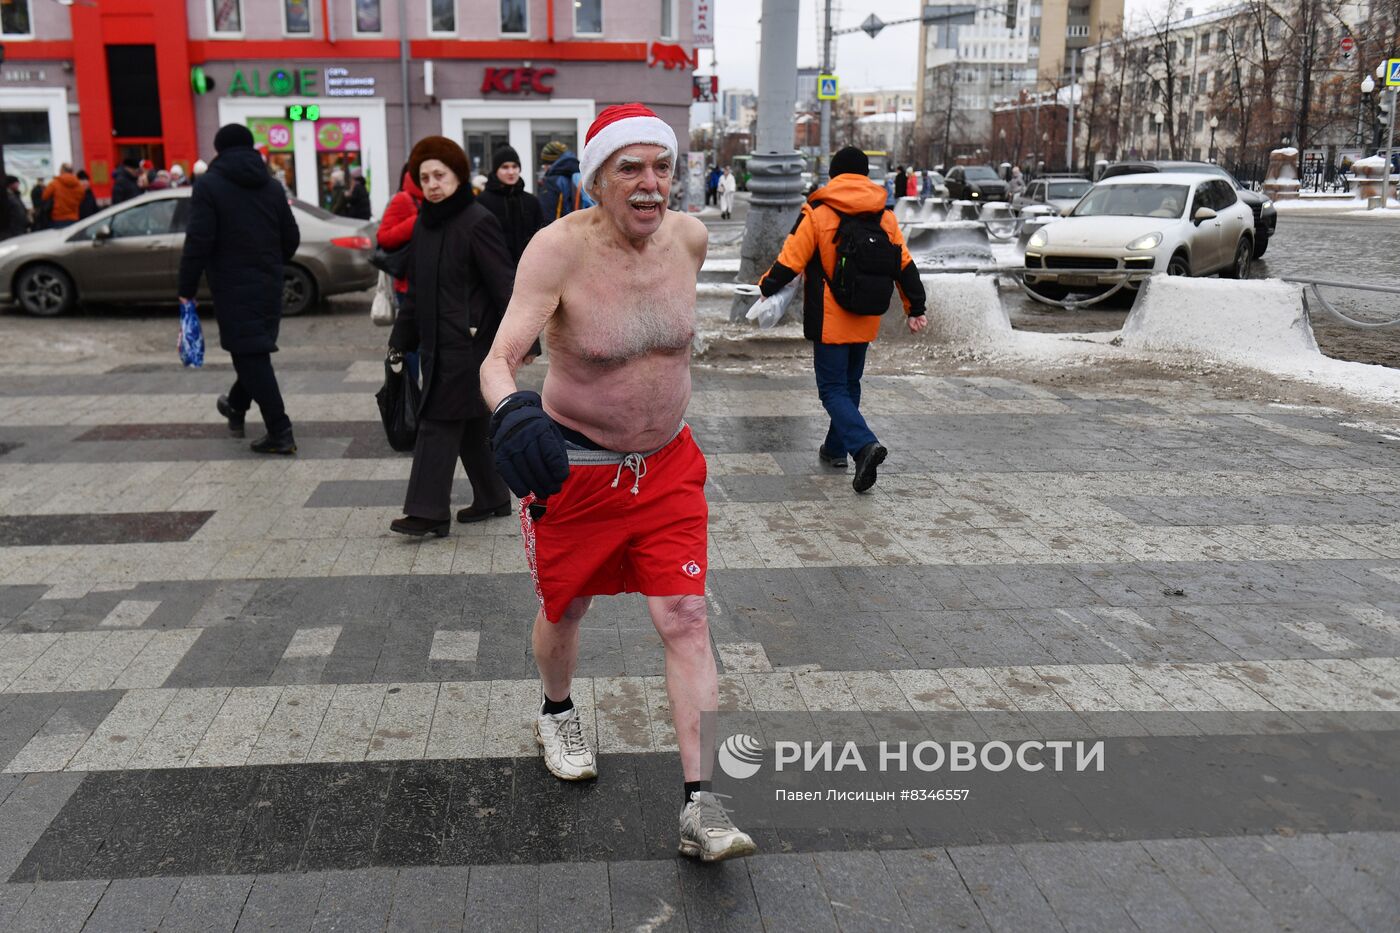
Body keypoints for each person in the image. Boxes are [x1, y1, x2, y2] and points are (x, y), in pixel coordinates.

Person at [480, 102, 756, 864]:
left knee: (687, 618)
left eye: (661, 166)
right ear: (597, 178)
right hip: (577, 473)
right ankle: (557, 709)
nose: (650, 183)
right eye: (629, 168)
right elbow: (498, 359)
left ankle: (704, 803)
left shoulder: (689, 240)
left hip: (667, 468)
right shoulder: (556, 251)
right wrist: (512, 413)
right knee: (564, 610)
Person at [758, 146, 927, 493]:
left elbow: (791, 258)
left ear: (833, 176)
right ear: (865, 176)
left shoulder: (819, 212)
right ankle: (835, 449)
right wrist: (916, 308)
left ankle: (863, 446)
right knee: (849, 385)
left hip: (830, 318)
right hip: (866, 316)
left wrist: (766, 287)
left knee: (833, 389)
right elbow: (905, 267)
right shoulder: (885, 217)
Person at [386, 136, 522, 536]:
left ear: (458, 176)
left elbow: (505, 286)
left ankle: (427, 511)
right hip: (435, 347)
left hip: (470, 345)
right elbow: (416, 292)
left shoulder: (477, 221)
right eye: (424, 177)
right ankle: (493, 495)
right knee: (470, 424)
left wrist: (524, 343)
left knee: (437, 421)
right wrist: (400, 339)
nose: (432, 183)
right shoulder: (425, 227)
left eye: (439, 175)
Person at [178, 123, 301, 455]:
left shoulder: (209, 186)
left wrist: (186, 287)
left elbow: (198, 240)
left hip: (232, 285)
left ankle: (280, 430)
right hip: (269, 283)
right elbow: (291, 238)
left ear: (219, 150)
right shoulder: (272, 186)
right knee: (253, 351)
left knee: (250, 356)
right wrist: (271, 261)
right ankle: (235, 406)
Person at [376, 162, 425, 379]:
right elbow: (384, 237)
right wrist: (418, 221)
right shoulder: (402, 199)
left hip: (437, 285)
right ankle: (412, 392)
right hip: (408, 285)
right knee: (411, 343)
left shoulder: (442, 199)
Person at [477, 145, 545, 266]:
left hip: (529, 269)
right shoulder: (482, 201)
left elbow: (541, 238)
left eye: (515, 166)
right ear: (495, 170)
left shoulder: (531, 201)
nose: (511, 172)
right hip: (493, 271)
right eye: (505, 167)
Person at [539, 141, 585, 220]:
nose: (544, 168)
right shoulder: (580, 175)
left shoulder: (553, 181)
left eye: (544, 164)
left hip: (560, 230)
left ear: (549, 164)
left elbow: (549, 215)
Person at [42, 164, 85, 229]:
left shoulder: (54, 183)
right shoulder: (79, 185)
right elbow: (81, 198)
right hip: (74, 218)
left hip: (58, 219)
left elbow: (44, 196)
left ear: (62, 171)